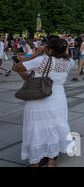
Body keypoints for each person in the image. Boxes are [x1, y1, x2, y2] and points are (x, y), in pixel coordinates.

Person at [12, 38, 75, 167]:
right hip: (57, 98)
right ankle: (51, 162)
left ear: (50, 49)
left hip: (39, 98)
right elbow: (64, 54)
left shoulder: (41, 60)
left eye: (45, 45)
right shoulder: (69, 62)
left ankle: (35, 161)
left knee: (36, 128)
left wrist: (36, 53)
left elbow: (17, 67)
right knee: (55, 127)